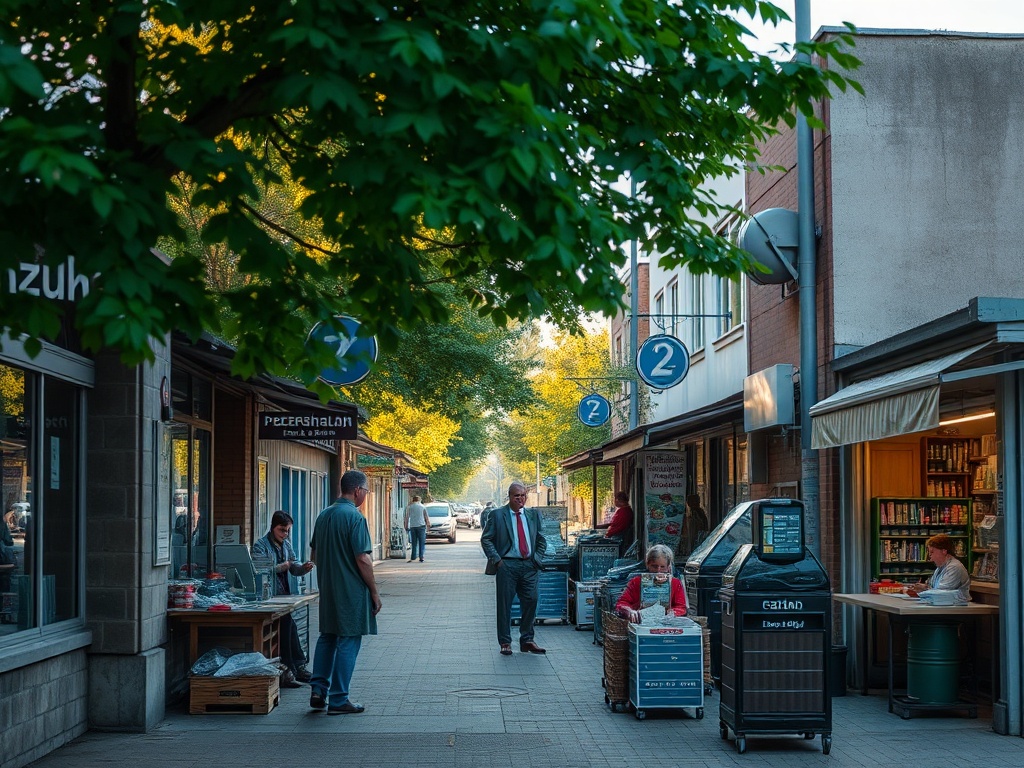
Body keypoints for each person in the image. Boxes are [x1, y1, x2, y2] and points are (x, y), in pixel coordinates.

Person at [308, 470, 382, 714]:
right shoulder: (355, 517)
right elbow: (363, 558)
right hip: (351, 591)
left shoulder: (323, 515)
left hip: (328, 589)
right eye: (367, 491)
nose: (366, 495)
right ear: (358, 490)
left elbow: (315, 555)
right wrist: (374, 591)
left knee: (327, 636)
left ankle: (318, 689)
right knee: (348, 639)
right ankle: (339, 699)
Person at [481, 481, 548, 656]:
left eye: (523, 495)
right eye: (516, 496)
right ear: (509, 497)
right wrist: (497, 560)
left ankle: (527, 640)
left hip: (529, 565)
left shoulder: (533, 515)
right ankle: (505, 642)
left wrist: (537, 558)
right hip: (507, 565)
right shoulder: (497, 515)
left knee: (531, 600)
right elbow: (486, 539)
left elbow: (541, 539)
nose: (520, 499)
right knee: (505, 605)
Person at [252, 510, 315, 688]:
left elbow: (293, 565)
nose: (285, 534)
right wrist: (283, 566)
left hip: (285, 595)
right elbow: (260, 570)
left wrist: (302, 568)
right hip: (269, 596)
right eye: (282, 530)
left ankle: (295, 667)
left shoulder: (286, 545)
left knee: (289, 626)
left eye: (287, 530)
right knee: (288, 626)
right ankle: (291, 668)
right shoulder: (261, 545)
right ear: (273, 528)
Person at [615, 544, 689, 623]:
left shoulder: (675, 583)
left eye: (662, 567)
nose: (658, 571)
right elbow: (621, 604)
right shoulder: (635, 582)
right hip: (640, 622)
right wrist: (629, 611)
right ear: (648, 564)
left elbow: (681, 607)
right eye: (654, 566)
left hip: (666, 624)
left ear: (668, 567)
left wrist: (671, 613)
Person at [905, 533, 971, 604]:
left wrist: (921, 593)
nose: (931, 558)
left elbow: (941, 593)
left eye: (932, 552)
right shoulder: (940, 568)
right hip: (942, 606)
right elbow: (933, 587)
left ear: (944, 551)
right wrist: (923, 587)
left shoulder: (954, 567)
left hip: (956, 609)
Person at [678, 493, 710, 558]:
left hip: (696, 537)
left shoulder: (698, 512)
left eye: (694, 501)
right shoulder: (691, 512)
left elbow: (703, 527)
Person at [404, 495, 429, 563]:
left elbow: (407, 517)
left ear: (413, 500)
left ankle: (413, 556)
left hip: (413, 526)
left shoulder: (409, 507)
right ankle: (421, 557)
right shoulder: (423, 507)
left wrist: (406, 525)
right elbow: (426, 517)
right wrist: (428, 525)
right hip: (421, 526)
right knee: (421, 542)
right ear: (419, 500)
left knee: (414, 542)